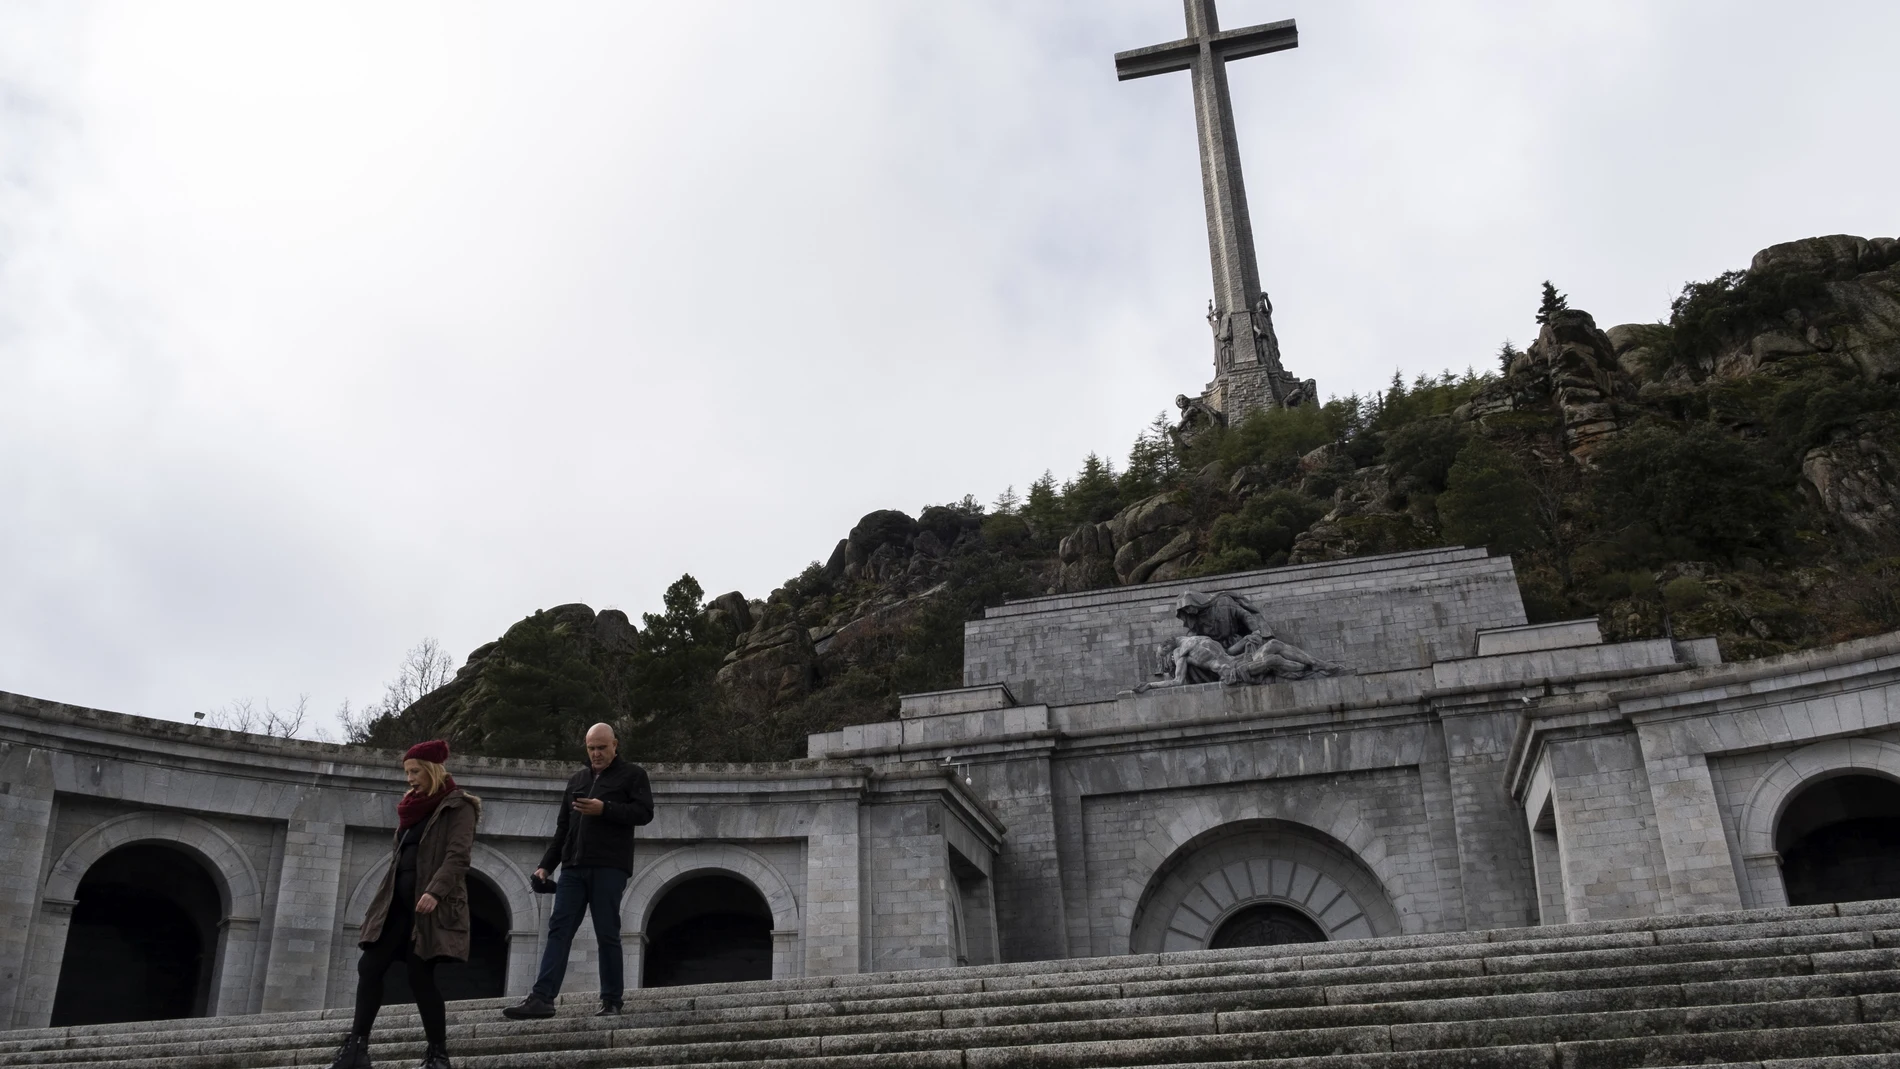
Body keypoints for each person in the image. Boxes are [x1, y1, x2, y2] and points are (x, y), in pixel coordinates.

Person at [329, 740, 480, 1069]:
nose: (409, 778)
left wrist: (435, 892)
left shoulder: (459, 806)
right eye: (407, 772)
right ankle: (357, 1048)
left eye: (415, 772)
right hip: (395, 904)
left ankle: (438, 1055)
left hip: (429, 906)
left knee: (419, 976)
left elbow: (458, 857)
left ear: (431, 770)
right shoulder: (412, 808)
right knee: (369, 967)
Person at [503, 723, 653, 1019]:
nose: (596, 753)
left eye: (601, 747)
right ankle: (542, 998)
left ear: (615, 745)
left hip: (609, 866)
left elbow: (644, 813)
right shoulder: (577, 780)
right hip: (572, 867)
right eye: (591, 748)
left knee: (607, 931)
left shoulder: (633, 775)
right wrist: (546, 866)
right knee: (558, 929)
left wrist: (605, 809)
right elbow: (563, 829)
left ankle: (611, 1000)